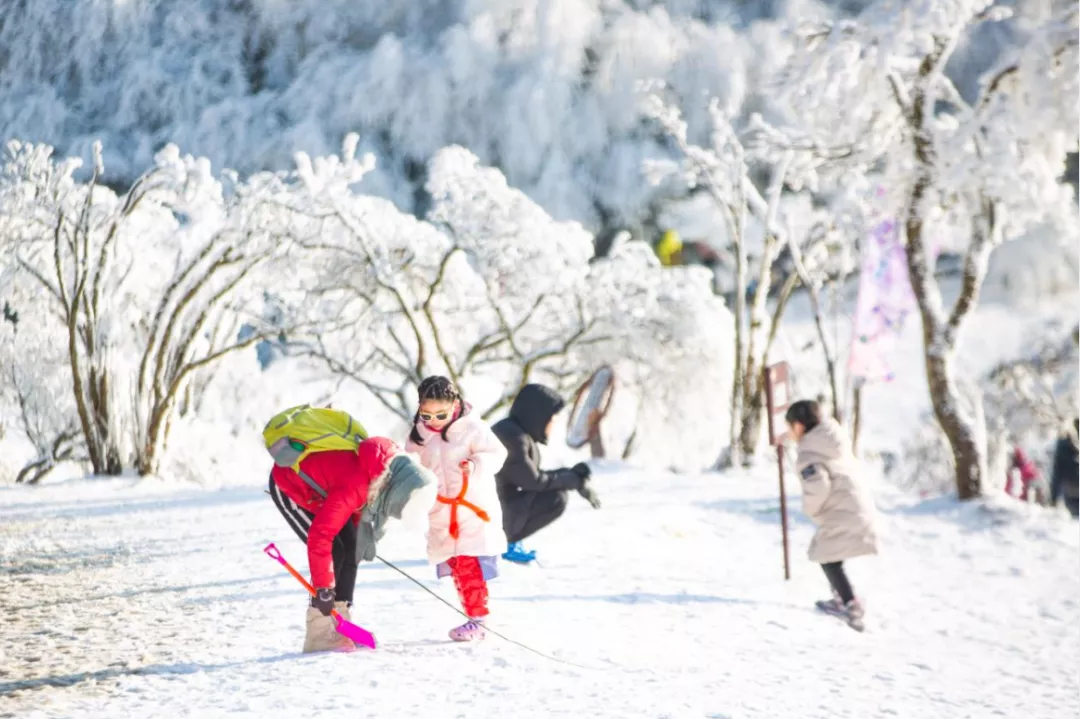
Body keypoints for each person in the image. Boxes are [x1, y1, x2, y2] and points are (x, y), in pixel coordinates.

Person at [268, 436, 436, 653]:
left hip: (328, 490)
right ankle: (318, 634)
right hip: (290, 484)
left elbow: (355, 512)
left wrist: (356, 538)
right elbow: (321, 537)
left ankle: (340, 625)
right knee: (334, 550)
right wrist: (323, 589)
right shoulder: (357, 485)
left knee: (351, 548)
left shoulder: (381, 473)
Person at [405, 376, 507, 642]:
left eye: (441, 414)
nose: (434, 421)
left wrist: (475, 464)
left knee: (468, 562)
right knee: (456, 564)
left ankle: (478, 619)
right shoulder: (420, 434)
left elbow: (497, 454)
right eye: (427, 415)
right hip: (441, 511)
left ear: (455, 405)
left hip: (472, 508)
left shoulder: (474, 428)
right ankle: (473, 615)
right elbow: (410, 463)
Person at [786, 399, 878, 632]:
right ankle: (841, 597)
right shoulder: (832, 441)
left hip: (843, 511)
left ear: (798, 426)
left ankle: (850, 604)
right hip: (856, 507)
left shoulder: (810, 452)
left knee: (826, 555)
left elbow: (818, 486)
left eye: (789, 427)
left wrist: (810, 508)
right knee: (830, 554)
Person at [491, 383, 601, 564]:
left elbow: (531, 476)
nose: (552, 423)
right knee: (556, 498)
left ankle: (506, 540)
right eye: (552, 418)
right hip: (486, 516)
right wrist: (573, 479)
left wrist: (571, 475)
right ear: (538, 415)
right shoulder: (512, 438)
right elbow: (534, 482)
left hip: (492, 510)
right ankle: (503, 541)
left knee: (554, 492)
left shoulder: (514, 432)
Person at [1050, 418, 1079, 519]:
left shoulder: (1063, 445)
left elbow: (1057, 472)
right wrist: (1053, 496)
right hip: (1072, 492)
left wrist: (1054, 496)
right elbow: (1057, 471)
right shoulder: (1064, 445)